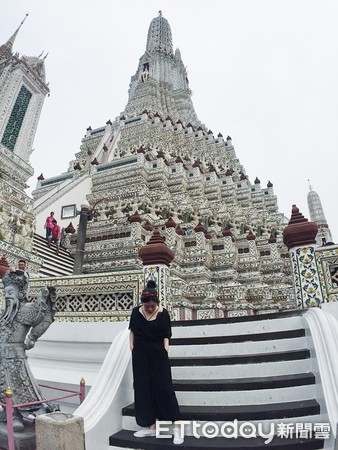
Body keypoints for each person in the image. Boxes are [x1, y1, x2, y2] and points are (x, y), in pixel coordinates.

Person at [129, 280, 183, 445]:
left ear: (157, 302)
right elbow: (132, 331)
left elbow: (167, 334)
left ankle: (177, 428)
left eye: (153, 305)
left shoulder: (163, 313)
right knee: (142, 389)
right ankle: (150, 427)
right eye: (147, 306)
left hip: (159, 355)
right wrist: (131, 347)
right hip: (140, 356)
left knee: (164, 389)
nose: (150, 308)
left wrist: (166, 349)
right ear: (143, 303)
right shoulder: (136, 312)